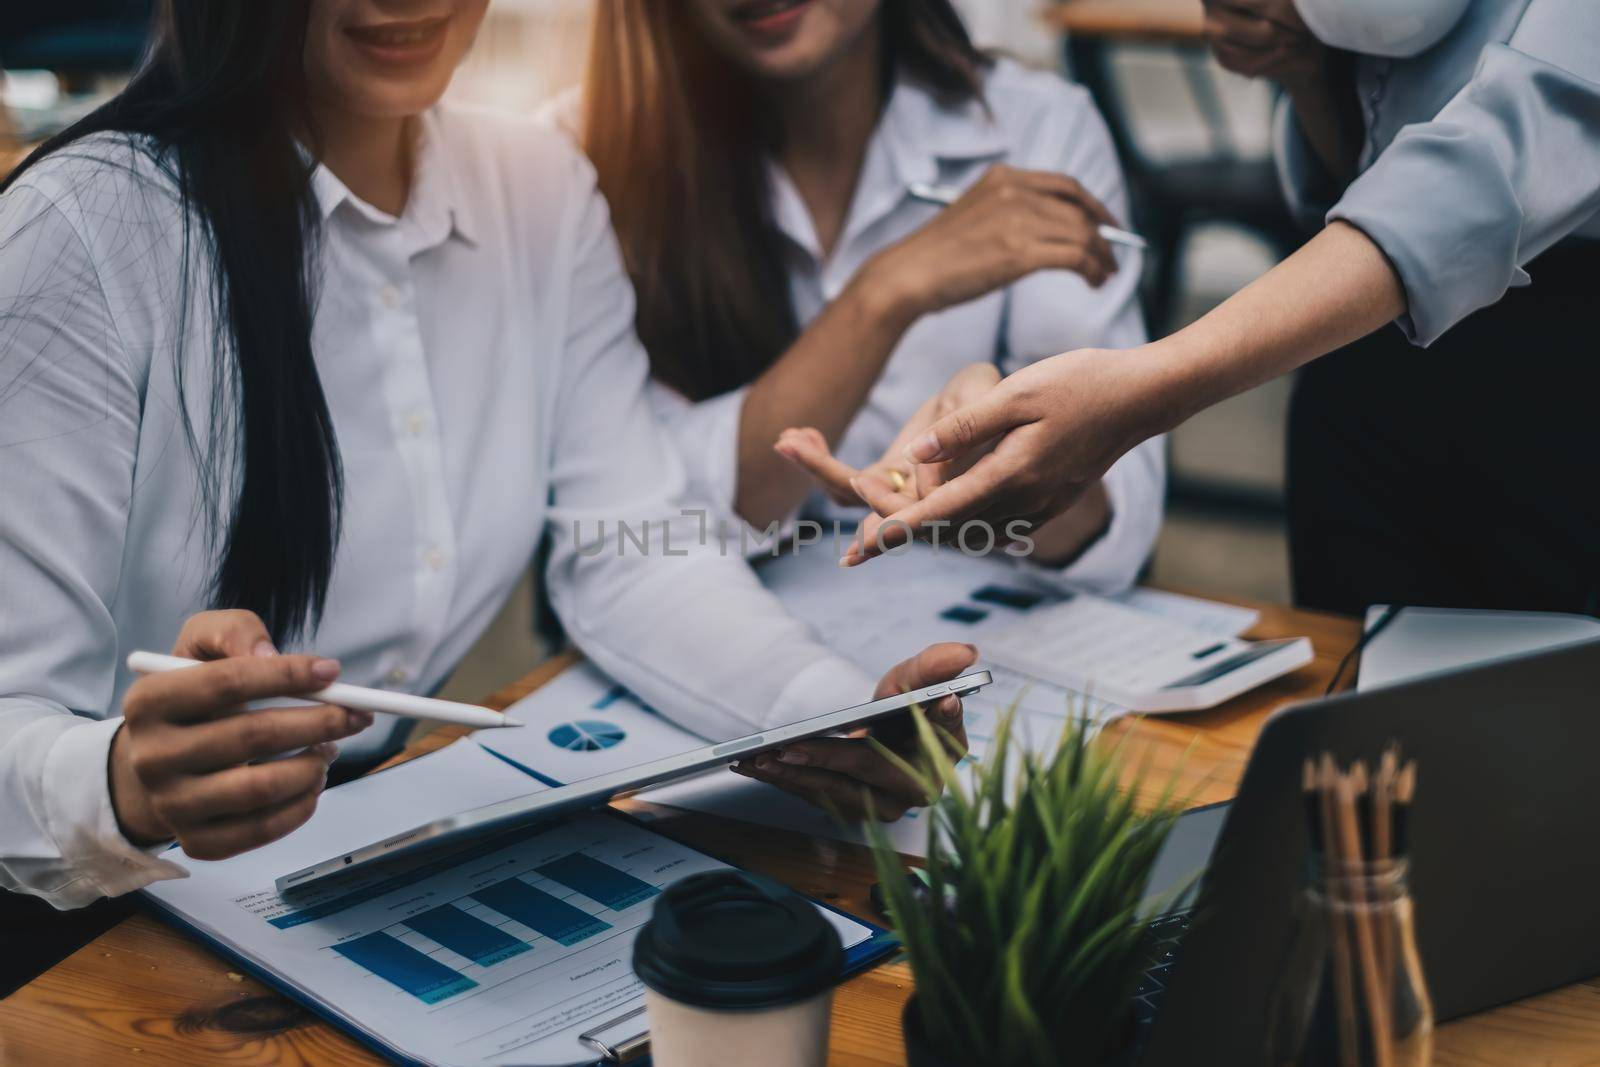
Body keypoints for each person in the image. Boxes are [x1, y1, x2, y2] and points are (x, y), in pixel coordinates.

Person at [0, 0, 970, 948]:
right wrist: (125, 779)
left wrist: (826, 711)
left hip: (351, 855)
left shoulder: (536, 183)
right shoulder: (82, 232)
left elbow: (630, 547)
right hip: (87, 916)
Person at [835, 0, 1600, 617]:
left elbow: (1503, 159)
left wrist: (1156, 385)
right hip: (1365, 342)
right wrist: (1305, 69)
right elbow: (1365, 177)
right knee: (1366, 715)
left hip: (1567, 361)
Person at [568, 0, 1165, 590]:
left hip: (977, 619)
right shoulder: (574, 159)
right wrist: (884, 294)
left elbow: (1116, 536)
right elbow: (640, 524)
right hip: (710, 622)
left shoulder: (1039, 126)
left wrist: (1005, 469)